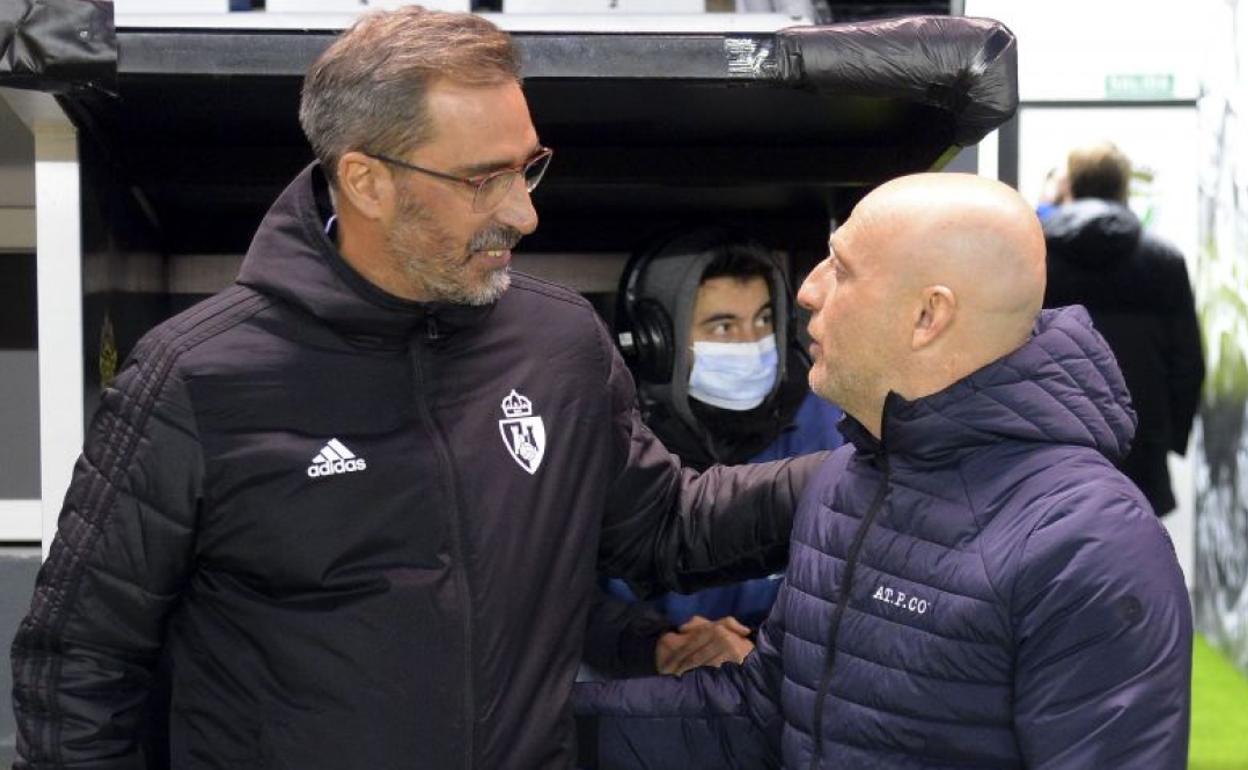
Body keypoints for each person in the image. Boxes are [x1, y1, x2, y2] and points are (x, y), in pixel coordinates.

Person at [9, 9, 826, 769]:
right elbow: (79, 665)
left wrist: (859, 470)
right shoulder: (196, 377)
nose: (524, 213)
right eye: (483, 180)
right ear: (366, 181)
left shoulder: (560, 345)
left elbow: (663, 529)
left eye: (528, 168)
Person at [574, 173, 1193, 769]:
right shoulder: (849, 483)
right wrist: (530, 734)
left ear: (929, 316)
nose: (808, 291)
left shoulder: (1089, 545)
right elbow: (763, 719)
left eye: (841, 269)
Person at [583, 233, 844, 678]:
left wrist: (756, 649)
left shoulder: (829, 422)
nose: (751, 342)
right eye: (723, 327)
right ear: (657, 343)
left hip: (780, 676)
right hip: (631, 679)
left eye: (763, 320)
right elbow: (550, 590)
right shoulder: (599, 432)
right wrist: (659, 646)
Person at [1043, 140, 1205, 516]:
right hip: (1140, 438)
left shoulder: (1037, 254)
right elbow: (1187, 362)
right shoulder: (1163, 259)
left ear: (1071, 185)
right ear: (1123, 187)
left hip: (1054, 435)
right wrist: (1170, 437)